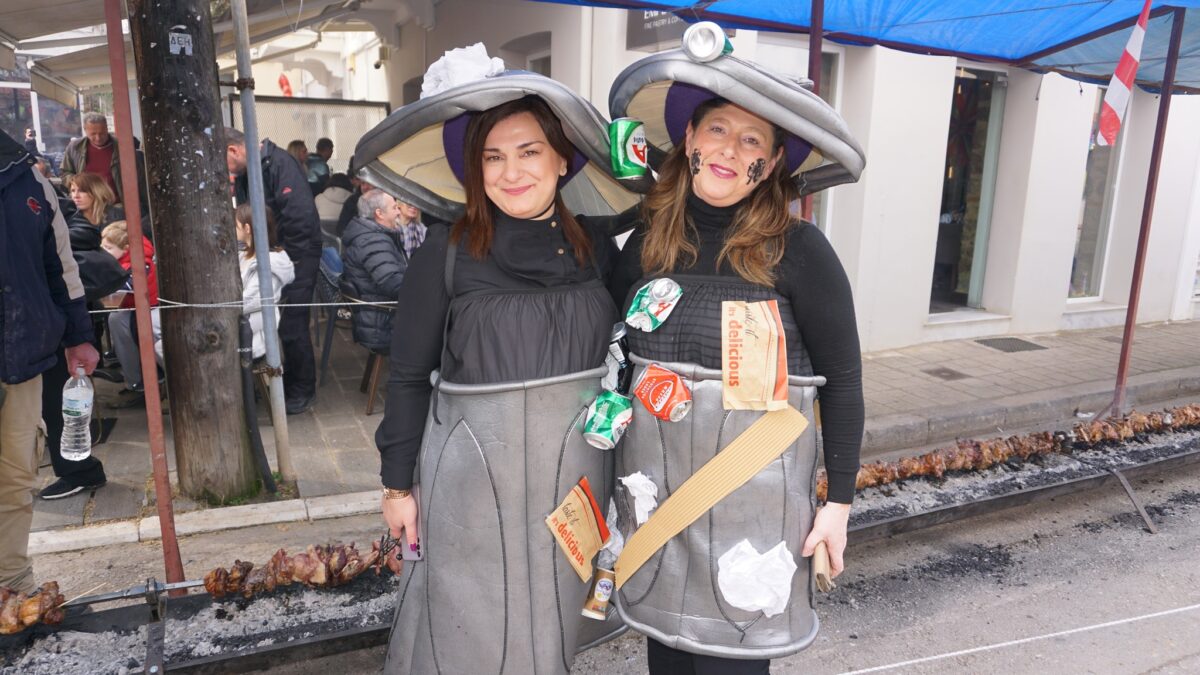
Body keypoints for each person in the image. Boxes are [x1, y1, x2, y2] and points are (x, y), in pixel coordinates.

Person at [367, 68, 642, 671]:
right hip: (471, 487)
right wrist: (396, 487)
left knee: (553, 630)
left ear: (563, 160)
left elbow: (635, 343)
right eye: (492, 157)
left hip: (576, 483)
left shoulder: (597, 247)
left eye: (528, 152)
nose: (511, 172)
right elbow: (408, 377)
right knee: (469, 635)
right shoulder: (446, 252)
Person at [605, 38, 866, 672]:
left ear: (772, 163)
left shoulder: (802, 252)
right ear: (689, 139)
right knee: (666, 660)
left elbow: (843, 382)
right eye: (717, 129)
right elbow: (612, 361)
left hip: (755, 523)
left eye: (752, 141)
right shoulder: (645, 245)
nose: (729, 149)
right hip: (660, 508)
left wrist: (838, 504)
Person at [0, 129, 99, 592]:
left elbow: (60, 263)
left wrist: (79, 335)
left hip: (20, 357)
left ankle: (14, 590)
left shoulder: (27, 177)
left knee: (15, 479)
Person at [225, 127, 321, 414]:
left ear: (233, 150)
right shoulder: (251, 170)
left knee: (292, 323)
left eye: (224, 161)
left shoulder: (280, 164)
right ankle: (286, 381)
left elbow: (299, 216)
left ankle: (302, 390)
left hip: (296, 255)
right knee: (281, 322)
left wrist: (286, 260)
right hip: (276, 253)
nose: (225, 170)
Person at [99, 220, 161, 409]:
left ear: (125, 248)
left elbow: (125, 285)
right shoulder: (123, 260)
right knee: (116, 320)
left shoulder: (140, 262)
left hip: (149, 310)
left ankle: (149, 381)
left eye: (108, 248)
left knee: (123, 322)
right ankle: (136, 381)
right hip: (132, 310)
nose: (103, 251)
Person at [340, 190, 412, 352]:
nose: (399, 211)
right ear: (379, 213)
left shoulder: (369, 235)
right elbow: (393, 284)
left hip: (377, 319)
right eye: (394, 207)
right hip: (383, 324)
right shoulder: (373, 241)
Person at [233, 204, 295, 359]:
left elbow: (245, 304)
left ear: (247, 228)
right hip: (243, 332)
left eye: (235, 225)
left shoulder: (268, 267)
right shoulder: (246, 254)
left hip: (251, 344)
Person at [60, 112, 145, 207]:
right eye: (93, 134)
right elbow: (65, 173)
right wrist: (79, 183)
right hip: (88, 206)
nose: (98, 138)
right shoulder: (75, 148)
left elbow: (139, 178)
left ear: (107, 128)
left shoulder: (122, 147)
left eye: (102, 133)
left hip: (117, 205)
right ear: (85, 130)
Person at [67, 172, 125, 238]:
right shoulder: (69, 218)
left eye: (82, 191)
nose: (76, 196)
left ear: (97, 192)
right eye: (73, 191)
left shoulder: (117, 215)